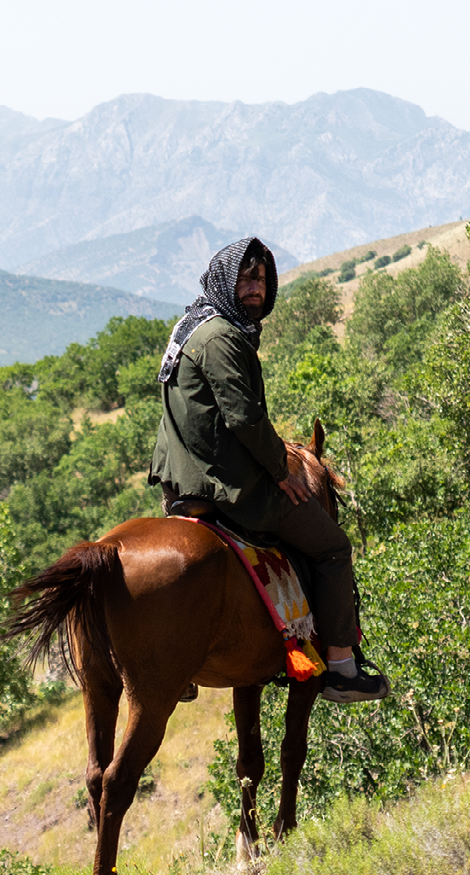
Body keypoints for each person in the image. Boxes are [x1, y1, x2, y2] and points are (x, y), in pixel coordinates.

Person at [149, 236, 389, 704]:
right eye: (245, 277)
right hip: (227, 485)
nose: (254, 287)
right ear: (224, 279)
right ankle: (341, 666)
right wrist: (284, 470)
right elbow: (243, 418)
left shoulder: (189, 327)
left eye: (261, 277)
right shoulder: (221, 336)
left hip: (178, 479)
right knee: (334, 548)